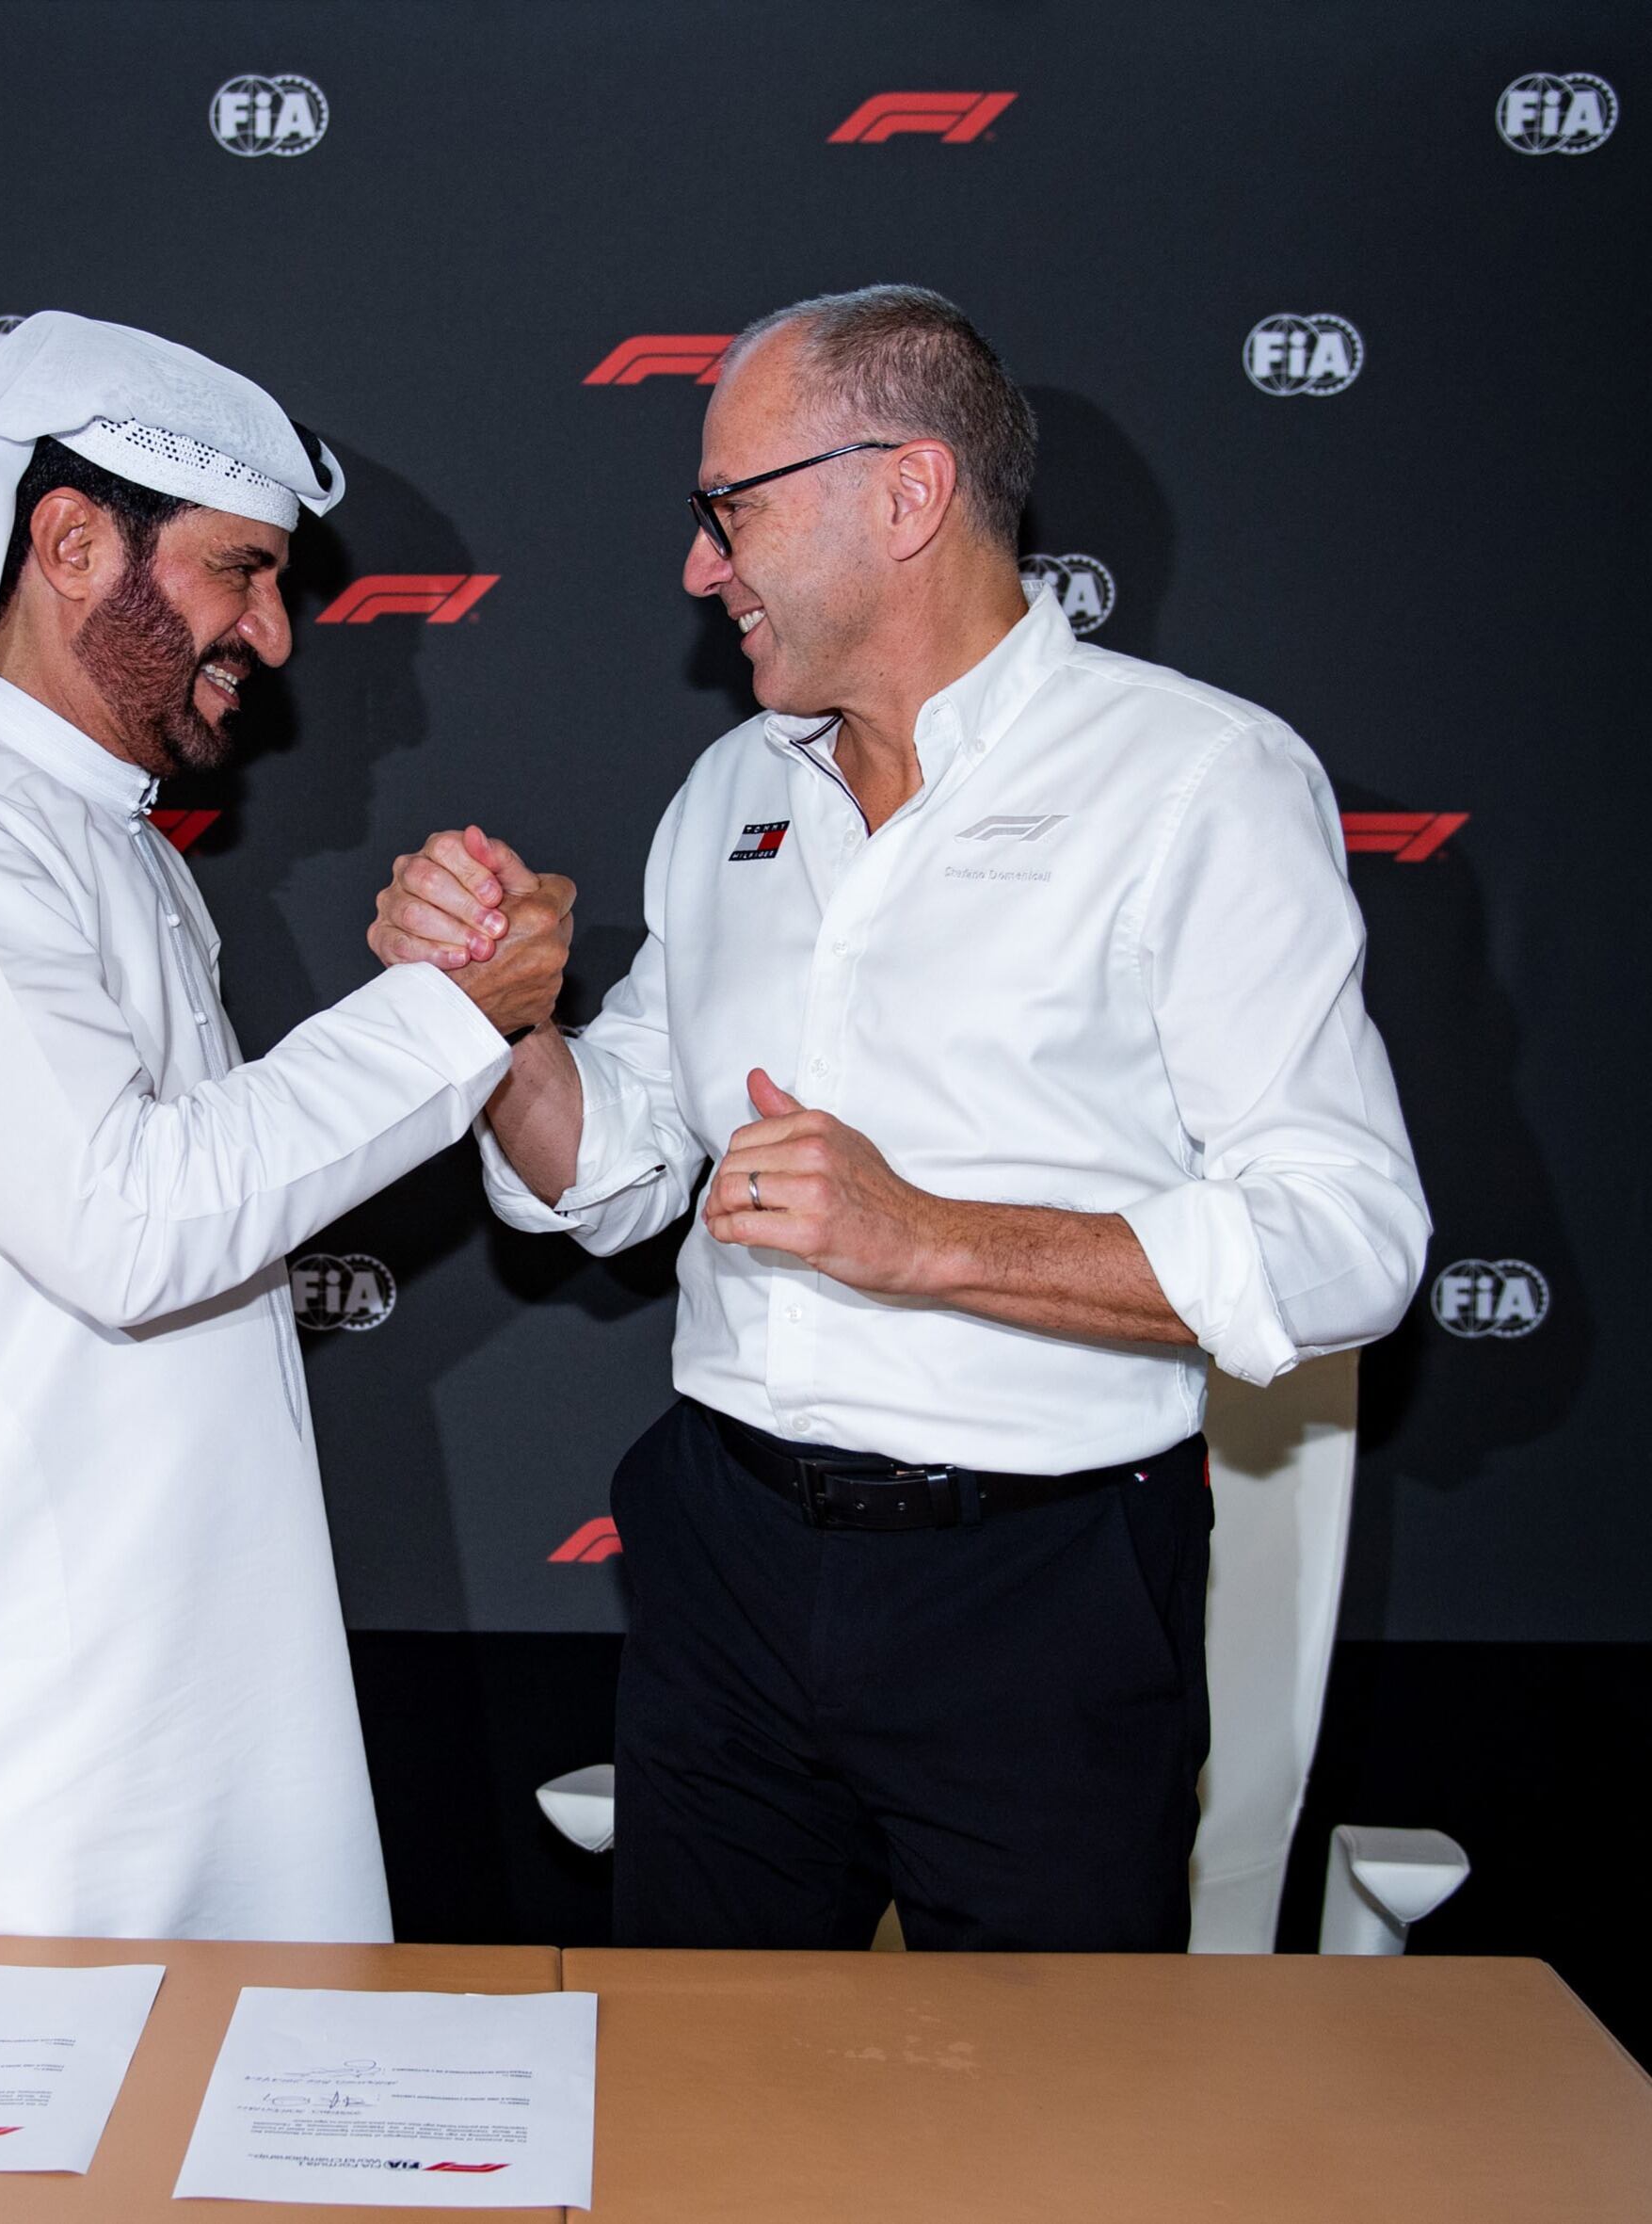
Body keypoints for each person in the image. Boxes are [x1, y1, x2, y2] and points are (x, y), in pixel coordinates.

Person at [371, 286, 1428, 1952]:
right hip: (721, 1569)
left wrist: (923, 1236)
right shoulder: (730, 791)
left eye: (733, 510)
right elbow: (619, 1163)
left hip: (1040, 1594)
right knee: (697, 2115)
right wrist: (504, 1026)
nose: (700, 568)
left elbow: (1351, 1238)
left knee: (1038, 2142)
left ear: (907, 492)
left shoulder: (1198, 782)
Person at [0, 313, 570, 1939]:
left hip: (169, 1678)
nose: (277, 635)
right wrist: (454, 1011)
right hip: (0, 1725)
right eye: (242, 572)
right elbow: (129, 1221)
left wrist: (444, 990)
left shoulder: (118, 846)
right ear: (72, 541)